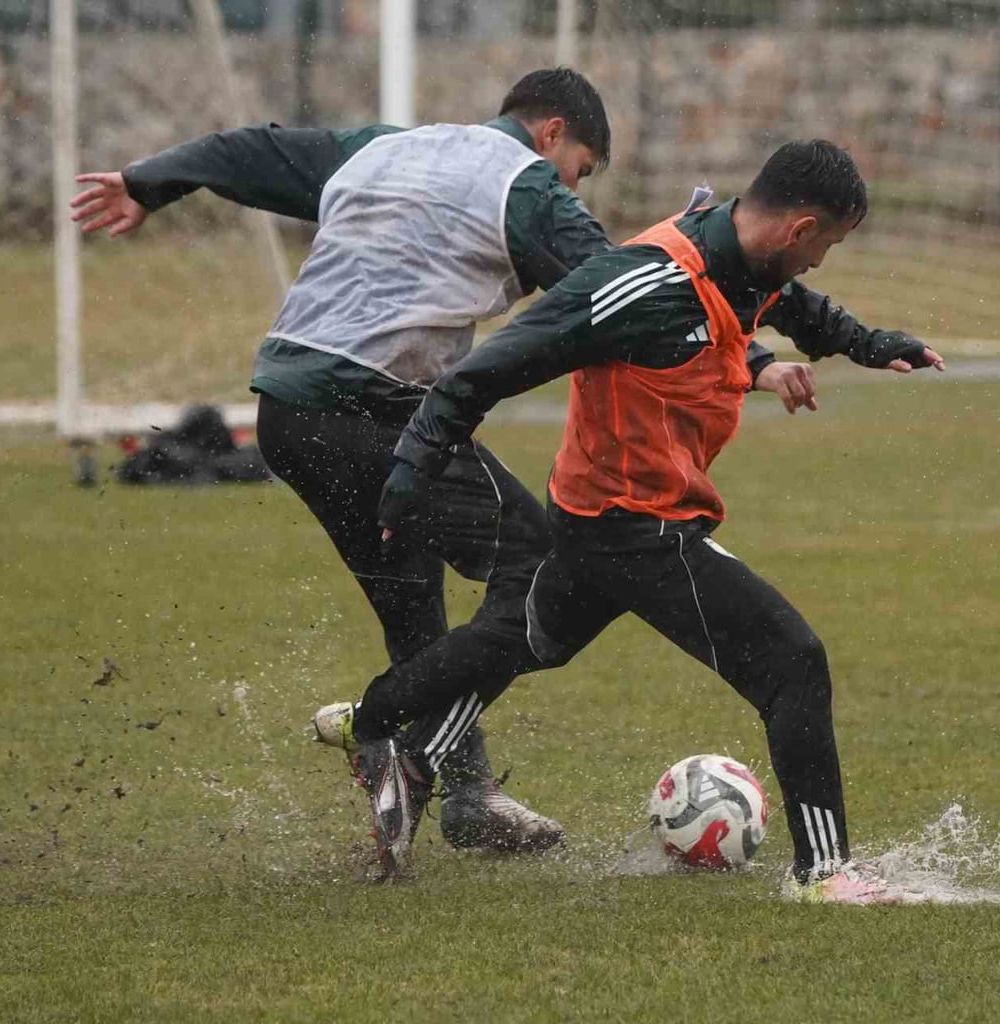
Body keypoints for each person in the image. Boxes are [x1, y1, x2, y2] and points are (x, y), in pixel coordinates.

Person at [328, 140, 946, 900]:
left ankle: (382, 727)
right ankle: (826, 873)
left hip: (594, 520)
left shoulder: (744, 261)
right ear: (800, 228)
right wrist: (414, 463)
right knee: (792, 663)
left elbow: (794, 305)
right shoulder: (643, 282)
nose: (821, 262)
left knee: (519, 644)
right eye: (827, 245)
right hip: (635, 529)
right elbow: (495, 363)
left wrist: (868, 342)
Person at [70, 68, 615, 855]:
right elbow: (621, 287)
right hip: (368, 411)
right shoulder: (525, 182)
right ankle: (388, 737)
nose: (575, 191)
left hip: (288, 419)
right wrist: (752, 355)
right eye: (582, 171)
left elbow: (257, 151)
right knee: (542, 569)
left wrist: (149, 182)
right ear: (552, 133)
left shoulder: (386, 149)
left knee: (414, 608)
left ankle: (467, 800)